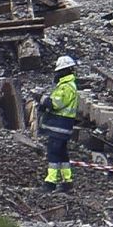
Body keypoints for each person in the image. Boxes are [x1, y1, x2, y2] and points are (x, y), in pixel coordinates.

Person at [37, 55, 81, 192]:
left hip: (59, 127)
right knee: (62, 154)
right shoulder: (67, 85)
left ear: (64, 71)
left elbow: (56, 104)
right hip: (63, 127)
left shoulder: (66, 87)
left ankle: (50, 182)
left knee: (53, 154)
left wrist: (41, 99)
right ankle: (67, 182)